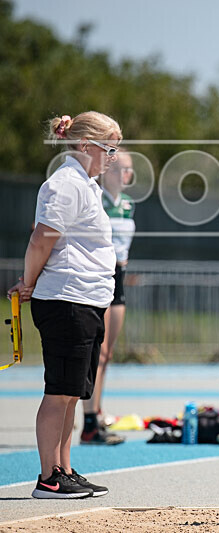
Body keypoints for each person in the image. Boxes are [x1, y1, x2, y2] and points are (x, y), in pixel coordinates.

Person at [7, 111, 121, 498]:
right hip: (66, 298)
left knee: (73, 392)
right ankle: (48, 477)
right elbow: (42, 239)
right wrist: (29, 281)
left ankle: (65, 469)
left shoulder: (86, 185)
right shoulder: (66, 183)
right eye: (109, 147)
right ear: (85, 145)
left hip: (86, 299)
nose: (114, 156)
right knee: (59, 392)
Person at [81, 150, 135, 445]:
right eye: (122, 169)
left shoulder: (128, 204)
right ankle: (88, 422)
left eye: (130, 171)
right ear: (108, 171)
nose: (126, 175)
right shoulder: (95, 198)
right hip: (100, 276)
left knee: (108, 354)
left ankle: (97, 411)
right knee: (96, 353)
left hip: (120, 278)